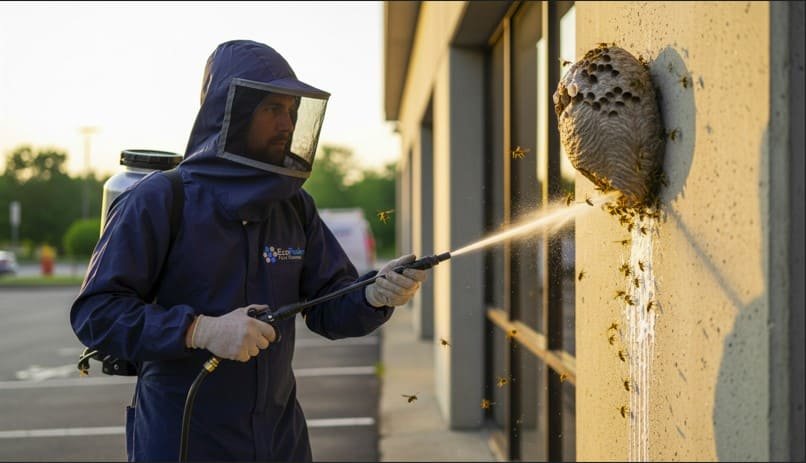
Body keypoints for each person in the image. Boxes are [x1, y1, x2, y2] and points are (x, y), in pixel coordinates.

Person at [69, 39, 427, 462]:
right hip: (184, 437)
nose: (287, 124)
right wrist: (199, 330)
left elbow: (328, 308)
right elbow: (96, 314)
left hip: (279, 438)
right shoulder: (160, 200)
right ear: (232, 113)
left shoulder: (293, 204)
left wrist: (372, 295)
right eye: (272, 108)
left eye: (293, 111)